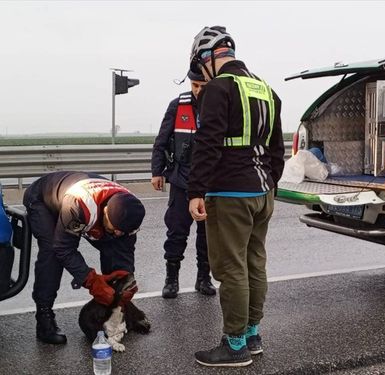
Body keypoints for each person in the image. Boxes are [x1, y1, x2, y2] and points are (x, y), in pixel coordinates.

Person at [187, 26, 285, 367]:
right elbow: (277, 150)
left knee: (231, 269)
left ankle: (234, 345)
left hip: (230, 193)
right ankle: (253, 334)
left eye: (200, 66)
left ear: (208, 58)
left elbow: (208, 143)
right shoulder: (267, 90)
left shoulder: (218, 88)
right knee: (255, 261)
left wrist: (196, 190)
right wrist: (270, 183)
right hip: (262, 191)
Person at [23, 171, 145, 345]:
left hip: (79, 200)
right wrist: (91, 281)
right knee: (52, 252)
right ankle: (44, 317)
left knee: (114, 248)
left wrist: (124, 284)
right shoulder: (80, 205)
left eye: (123, 230)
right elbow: (64, 249)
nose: (118, 233)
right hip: (43, 200)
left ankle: (116, 312)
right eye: (115, 227)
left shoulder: (130, 213)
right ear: (105, 211)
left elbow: (123, 252)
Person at [151, 68, 216, 298]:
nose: (199, 91)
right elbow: (161, 140)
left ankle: (203, 278)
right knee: (177, 232)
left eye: (203, 86)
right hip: (181, 180)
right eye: (195, 86)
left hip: (210, 183)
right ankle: (171, 279)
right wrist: (156, 171)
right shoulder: (177, 106)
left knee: (207, 235)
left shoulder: (219, 106)